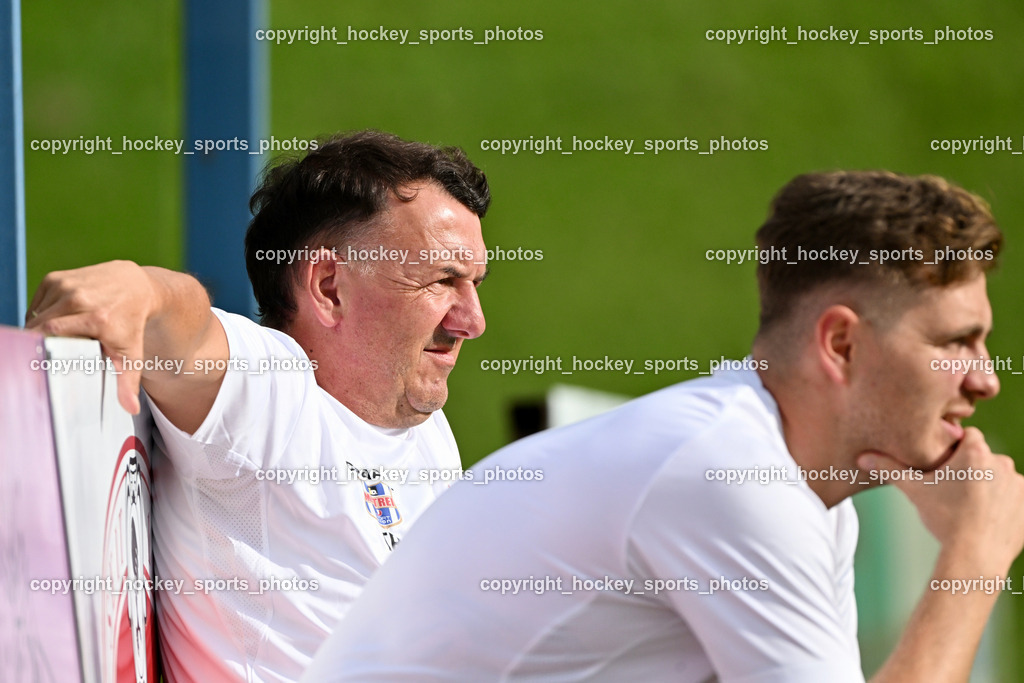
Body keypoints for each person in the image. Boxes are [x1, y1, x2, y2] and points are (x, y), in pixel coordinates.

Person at [301, 170, 1024, 682]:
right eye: (954, 342)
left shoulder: (793, 487)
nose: (986, 378)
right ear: (840, 344)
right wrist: (976, 555)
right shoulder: (730, 474)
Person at [25, 130, 491, 682]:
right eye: (442, 280)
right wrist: (138, 290)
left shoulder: (428, 432)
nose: (473, 321)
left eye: (475, 283)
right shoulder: (277, 395)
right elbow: (186, 329)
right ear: (328, 286)